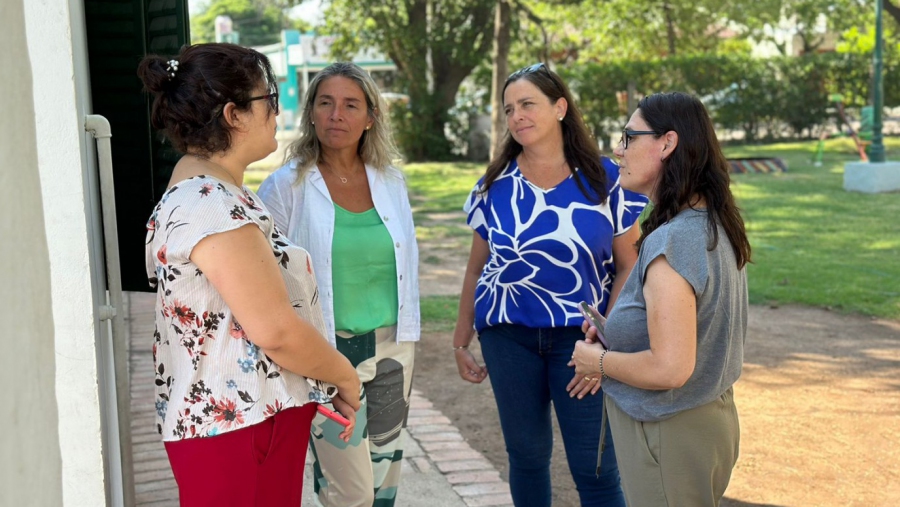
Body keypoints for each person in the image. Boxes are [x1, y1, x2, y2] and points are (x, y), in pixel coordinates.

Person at [138, 43, 361, 506]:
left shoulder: (217, 191)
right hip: (238, 429)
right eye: (270, 100)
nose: (278, 113)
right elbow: (275, 331)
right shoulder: (211, 204)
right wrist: (345, 375)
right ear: (233, 114)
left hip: (248, 422)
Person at [452, 62, 647, 507]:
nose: (516, 116)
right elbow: (474, 269)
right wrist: (461, 339)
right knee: (526, 457)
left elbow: (628, 267)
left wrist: (607, 337)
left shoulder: (606, 180)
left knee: (594, 467)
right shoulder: (493, 186)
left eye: (527, 104)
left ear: (560, 108)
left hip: (582, 342)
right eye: (508, 109)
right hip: (507, 337)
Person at [571, 91, 751, 506]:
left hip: (669, 435)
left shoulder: (675, 239)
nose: (618, 149)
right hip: (701, 425)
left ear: (667, 143)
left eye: (629, 137)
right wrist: (615, 329)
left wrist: (594, 361)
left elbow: (670, 369)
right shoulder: (711, 223)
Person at [258, 62, 419, 507]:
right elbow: (268, 272)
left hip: (392, 351)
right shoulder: (286, 186)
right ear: (311, 112)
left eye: (351, 105)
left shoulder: (390, 181)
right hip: (328, 353)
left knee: (384, 480)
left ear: (370, 116)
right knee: (349, 490)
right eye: (325, 103)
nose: (336, 115)